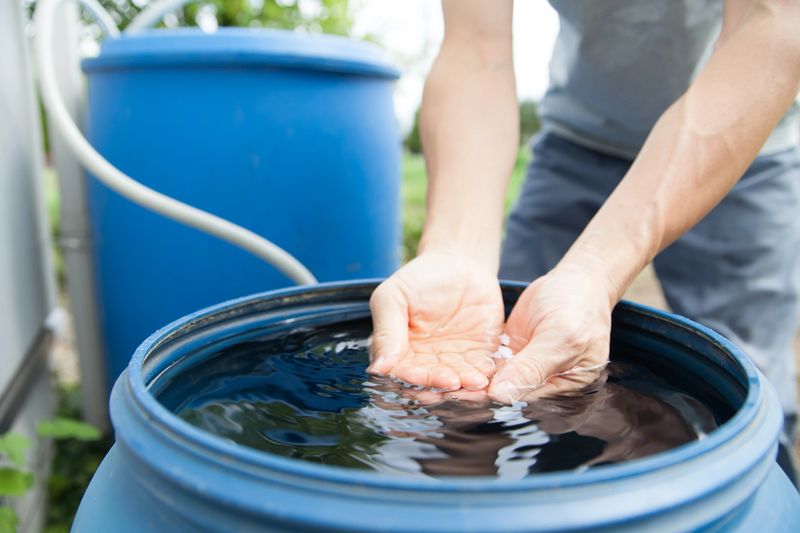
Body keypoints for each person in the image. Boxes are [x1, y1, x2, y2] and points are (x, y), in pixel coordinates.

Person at [367, 0, 800, 479]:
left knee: (746, 392)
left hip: (746, 141)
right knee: (499, 362)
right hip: (580, 138)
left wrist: (594, 273)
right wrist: (455, 252)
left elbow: (772, 23)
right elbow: (476, 51)